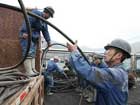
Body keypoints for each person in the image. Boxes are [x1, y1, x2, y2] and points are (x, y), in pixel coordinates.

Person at [67, 39, 131, 105]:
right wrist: (100, 63)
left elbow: (89, 72)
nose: (105, 52)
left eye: (109, 50)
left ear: (119, 55)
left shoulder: (115, 74)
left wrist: (74, 52)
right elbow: (106, 71)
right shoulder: (120, 71)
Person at [19, 7, 55, 75]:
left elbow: (45, 31)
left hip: (34, 37)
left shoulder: (44, 21)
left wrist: (49, 41)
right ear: (46, 13)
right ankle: (28, 71)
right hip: (27, 35)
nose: (49, 17)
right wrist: (25, 31)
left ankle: (33, 70)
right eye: (49, 16)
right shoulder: (36, 13)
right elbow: (28, 21)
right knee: (28, 53)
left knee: (32, 54)